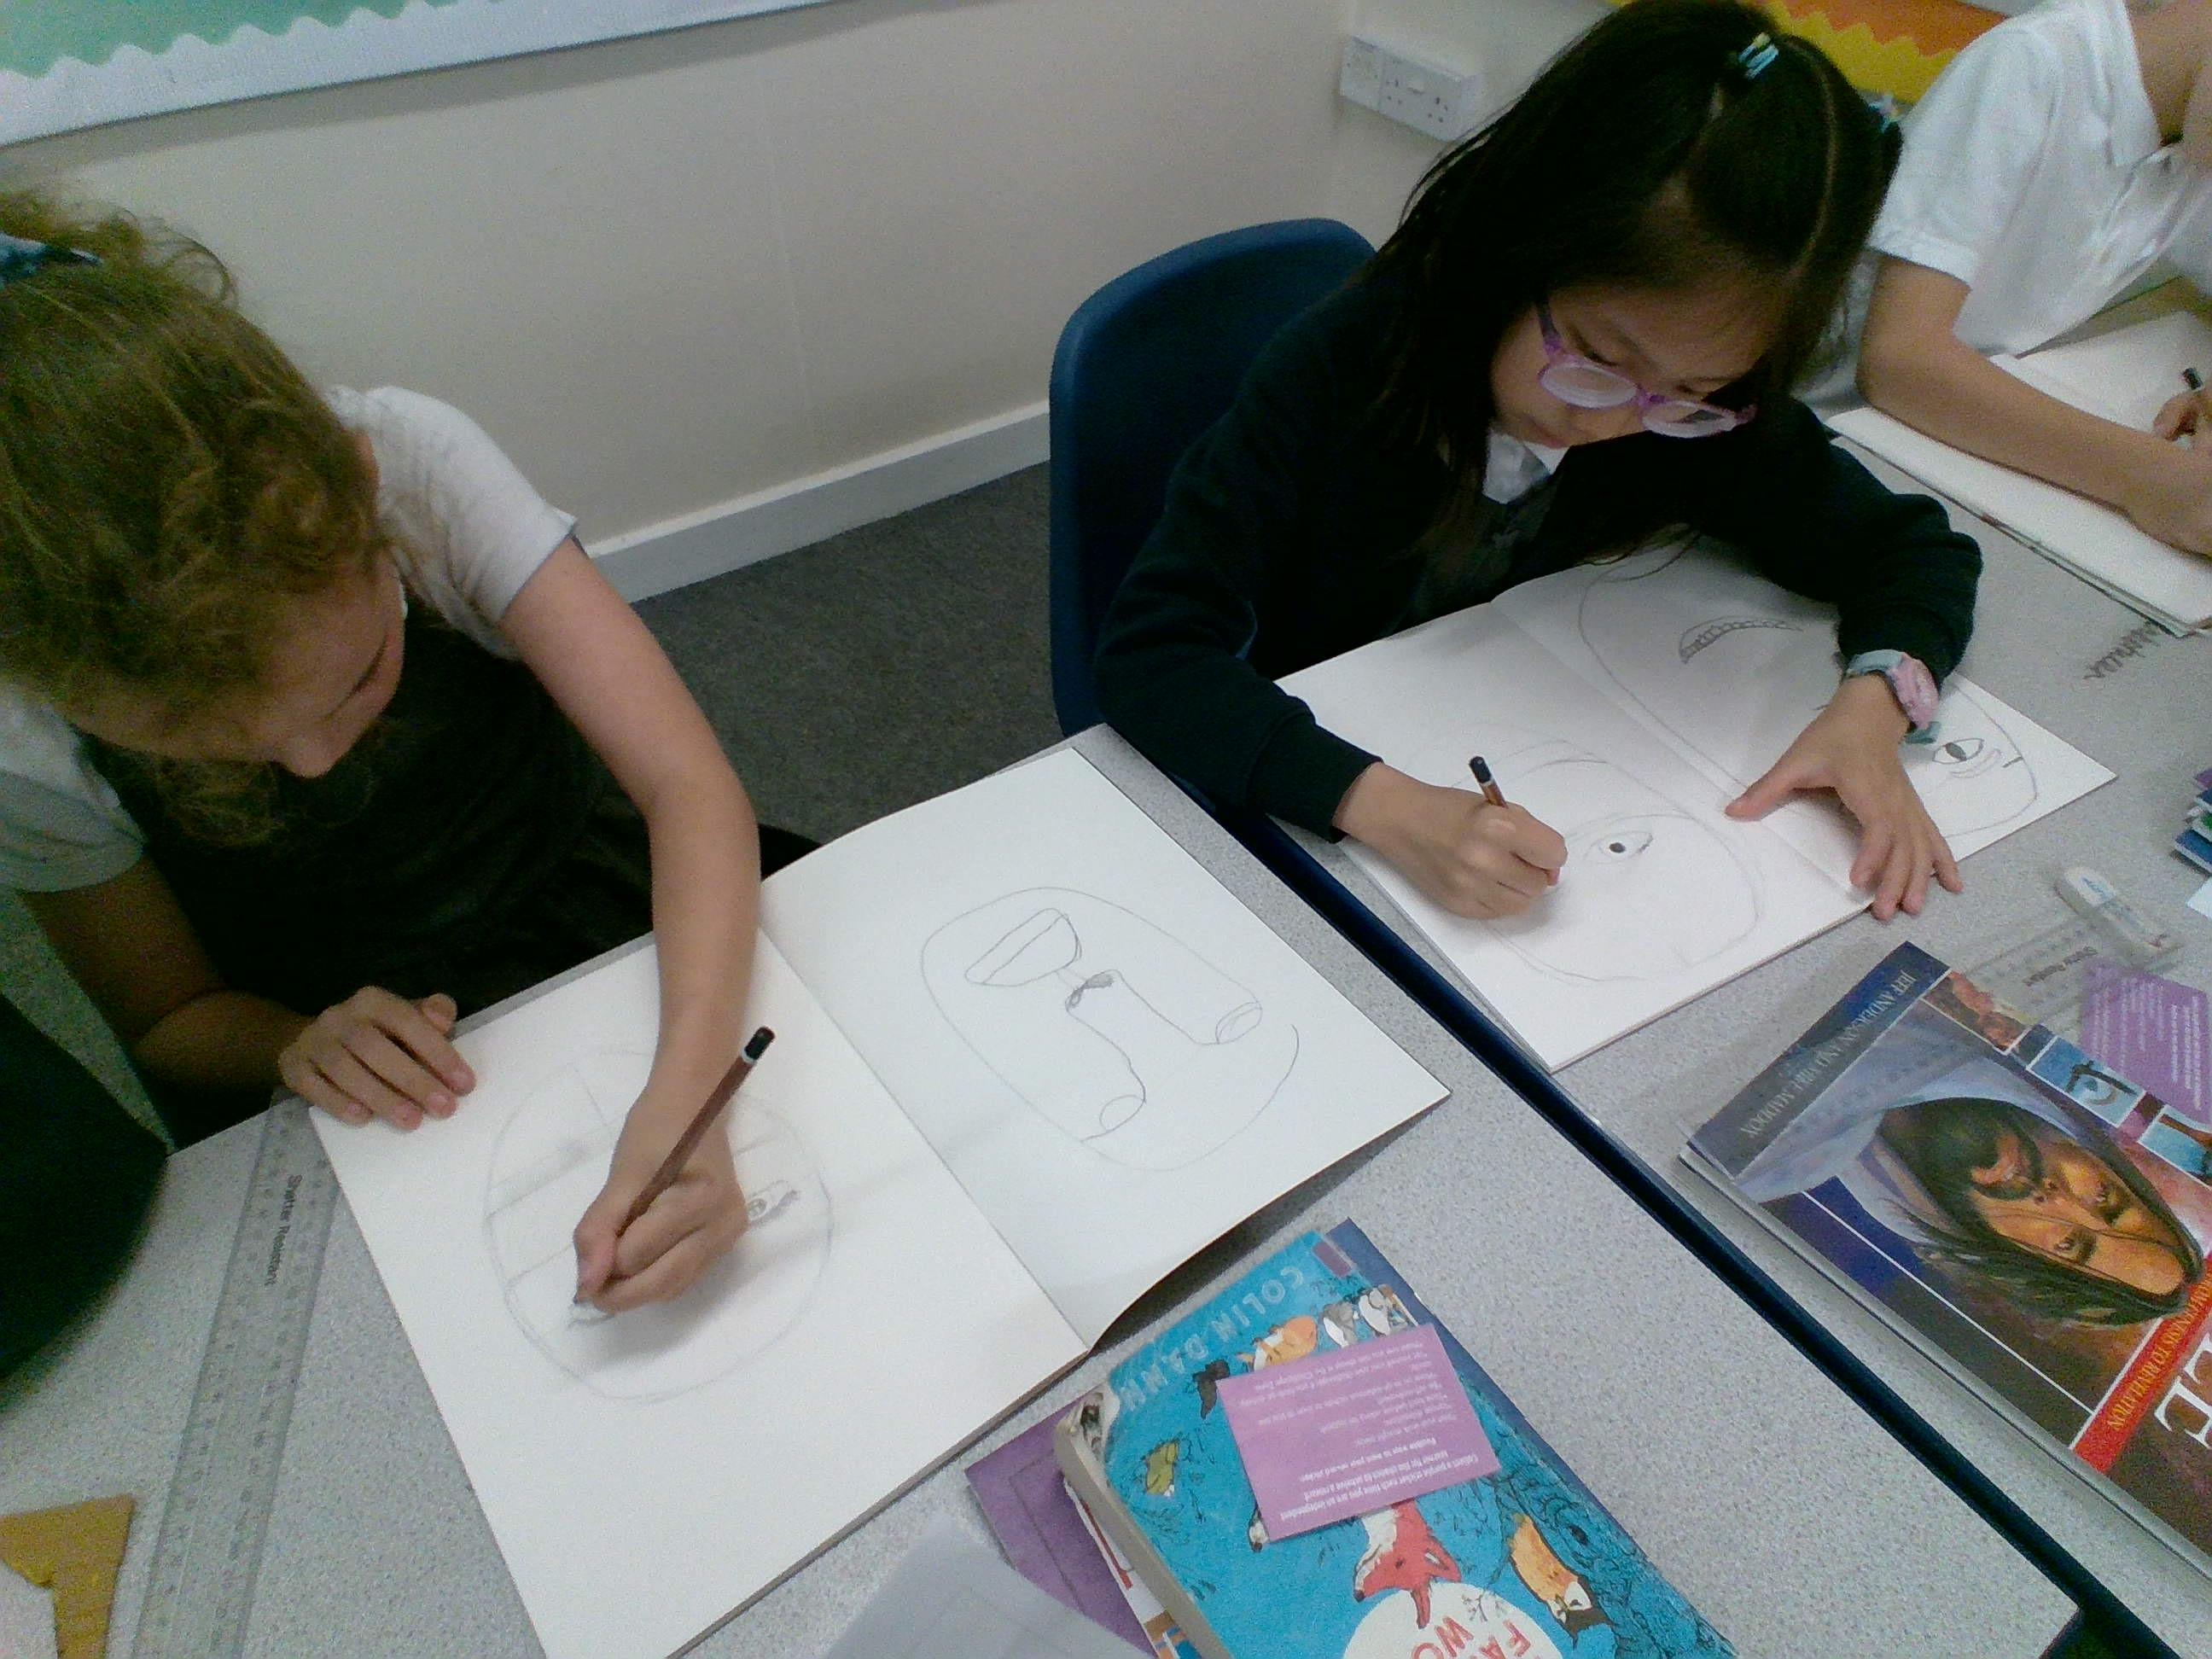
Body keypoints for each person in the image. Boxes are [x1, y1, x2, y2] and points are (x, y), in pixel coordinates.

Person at [0, 195, 804, 1313]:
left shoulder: (415, 465)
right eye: (213, 757)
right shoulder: (23, 725)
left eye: (360, 683)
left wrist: (689, 1092)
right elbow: (168, 1016)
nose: (315, 764)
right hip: (336, 1026)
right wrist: (292, 1042)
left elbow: (686, 785)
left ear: (362, 497)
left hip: (593, 891)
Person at [1094, 0, 1976, 926]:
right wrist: (1383, 806)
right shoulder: (1346, 371)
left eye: (1691, 391)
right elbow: (1152, 656)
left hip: (1532, 720)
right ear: (1514, 256)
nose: (1620, 421)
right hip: (1322, 771)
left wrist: (1875, 706)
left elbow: (1914, 550)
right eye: (1598, 359)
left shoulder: (1706, 413)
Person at [1856, 0, 2212, 556]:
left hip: (1963, 443)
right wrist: (2146, 476)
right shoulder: (2035, 65)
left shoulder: (2194, 134)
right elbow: (1897, 359)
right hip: (1833, 426)